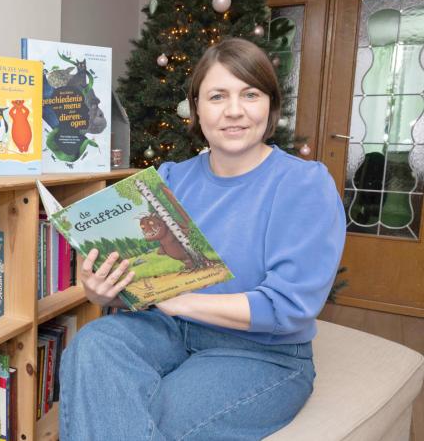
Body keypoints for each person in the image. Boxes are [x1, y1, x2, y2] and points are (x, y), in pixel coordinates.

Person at [58, 37, 346, 441]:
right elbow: (145, 284)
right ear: (197, 108)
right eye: (217, 96)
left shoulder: (304, 184)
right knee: (92, 344)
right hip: (168, 330)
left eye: (250, 94)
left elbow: (290, 307)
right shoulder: (171, 179)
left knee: (157, 414)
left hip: (261, 353)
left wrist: (180, 300)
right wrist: (103, 291)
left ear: (270, 105)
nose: (234, 110)